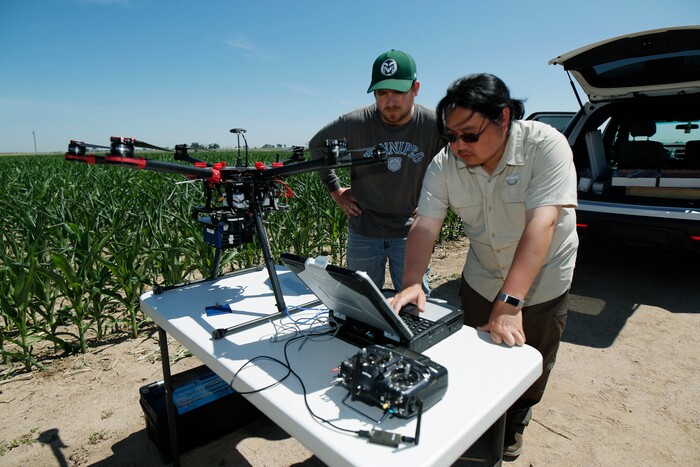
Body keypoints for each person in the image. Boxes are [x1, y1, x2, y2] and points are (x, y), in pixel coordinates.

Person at [388, 73, 578, 460]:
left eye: (469, 135)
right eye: (450, 137)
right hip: (482, 273)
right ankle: (483, 420)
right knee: (476, 353)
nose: (458, 147)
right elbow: (426, 223)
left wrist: (510, 304)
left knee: (531, 357)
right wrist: (411, 282)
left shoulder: (545, 146)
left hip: (541, 276)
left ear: (503, 118)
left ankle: (518, 419)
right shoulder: (446, 164)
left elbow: (541, 223)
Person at [308, 49, 444, 292]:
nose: (390, 102)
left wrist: (437, 201)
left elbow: (459, 162)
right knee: (361, 302)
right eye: (382, 93)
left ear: (416, 88)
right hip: (364, 230)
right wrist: (335, 190)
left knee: (415, 305)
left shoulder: (433, 125)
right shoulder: (356, 123)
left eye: (399, 92)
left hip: (412, 232)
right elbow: (316, 146)